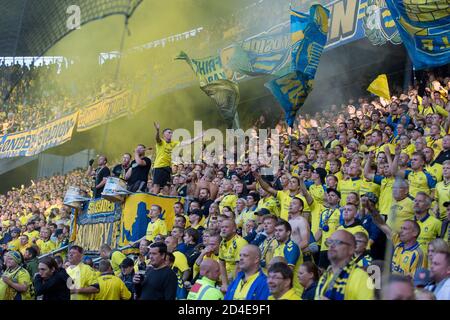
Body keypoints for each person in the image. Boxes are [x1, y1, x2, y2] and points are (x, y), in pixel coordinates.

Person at [315, 230, 374, 300]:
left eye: (338, 242)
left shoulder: (362, 277)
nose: (332, 245)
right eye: (330, 242)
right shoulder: (325, 277)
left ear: (352, 249)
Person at [152, 122, 203, 194]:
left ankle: (166, 199)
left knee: (167, 186)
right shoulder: (161, 142)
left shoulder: (174, 143)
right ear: (164, 135)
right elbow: (157, 138)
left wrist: (198, 137)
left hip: (167, 167)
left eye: (172, 133)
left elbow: (186, 143)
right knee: (157, 185)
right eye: (169, 133)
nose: (171, 134)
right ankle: (153, 198)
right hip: (159, 166)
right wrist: (157, 130)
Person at [272, 220, 303, 295]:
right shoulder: (278, 248)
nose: (277, 233)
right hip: (282, 291)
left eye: (280, 230)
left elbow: (289, 271)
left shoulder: (291, 247)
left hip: (294, 292)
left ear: (288, 233)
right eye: (275, 230)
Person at [218, 219, 248, 291]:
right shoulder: (223, 242)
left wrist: (234, 287)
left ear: (234, 229)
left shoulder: (239, 242)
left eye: (226, 227)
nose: (223, 229)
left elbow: (240, 267)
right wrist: (225, 284)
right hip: (230, 277)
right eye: (222, 227)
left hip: (241, 278)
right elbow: (222, 264)